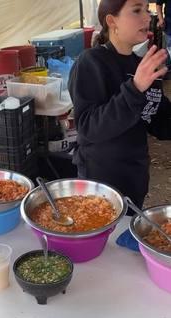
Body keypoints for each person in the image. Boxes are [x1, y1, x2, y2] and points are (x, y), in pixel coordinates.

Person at [69, 0, 171, 211]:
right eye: (136, 10)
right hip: (100, 182)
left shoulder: (140, 66)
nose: (147, 17)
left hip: (135, 178)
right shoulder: (91, 62)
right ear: (111, 21)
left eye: (146, 9)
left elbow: (159, 121)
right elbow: (88, 128)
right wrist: (134, 88)